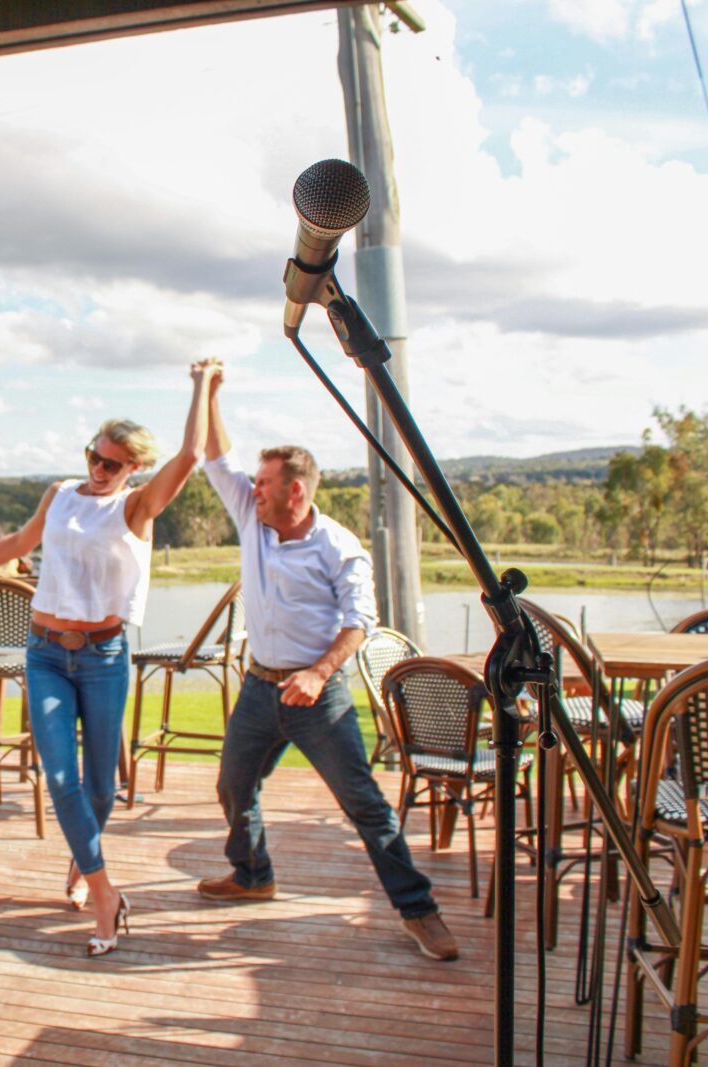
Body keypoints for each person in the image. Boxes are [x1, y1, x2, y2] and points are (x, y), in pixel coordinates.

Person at [0, 360, 219, 956]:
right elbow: (19, 543)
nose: (98, 469)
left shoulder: (134, 508)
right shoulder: (59, 494)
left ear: (135, 468)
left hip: (104, 656)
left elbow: (191, 455)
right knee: (60, 777)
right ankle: (106, 895)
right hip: (46, 653)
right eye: (93, 456)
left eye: (112, 463)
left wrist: (201, 385)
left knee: (101, 789)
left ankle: (84, 864)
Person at [195, 370, 459, 963]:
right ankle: (253, 875)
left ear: (297, 492)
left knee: (364, 804)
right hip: (261, 689)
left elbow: (359, 621)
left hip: (320, 697)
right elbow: (216, 457)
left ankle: (419, 911)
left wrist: (317, 673)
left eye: (264, 484)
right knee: (235, 787)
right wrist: (210, 394)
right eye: (254, 482)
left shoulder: (339, 547)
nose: (251, 490)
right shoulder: (252, 519)